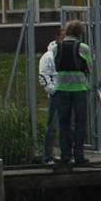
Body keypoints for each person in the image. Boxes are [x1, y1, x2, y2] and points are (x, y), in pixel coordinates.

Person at [52, 20, 94, 166]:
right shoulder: (84, 48)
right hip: (79, 89)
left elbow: (54, 66)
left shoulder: (56, 47)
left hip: (61, 88)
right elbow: (89, 68)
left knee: (63, 123)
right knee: (80, 123)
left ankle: (65, 155)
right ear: (80, 33)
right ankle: (79, 155)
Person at [38, 27, 64, 164]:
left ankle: (66, 154)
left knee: (66, 125)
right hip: (57, 94)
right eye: (63, 37)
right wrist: (53, 90)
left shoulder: (66, 54)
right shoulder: (48, 56)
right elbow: (43, 75)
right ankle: (48, 156)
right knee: (52, 126)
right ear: (57, 37)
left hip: (67, 92)